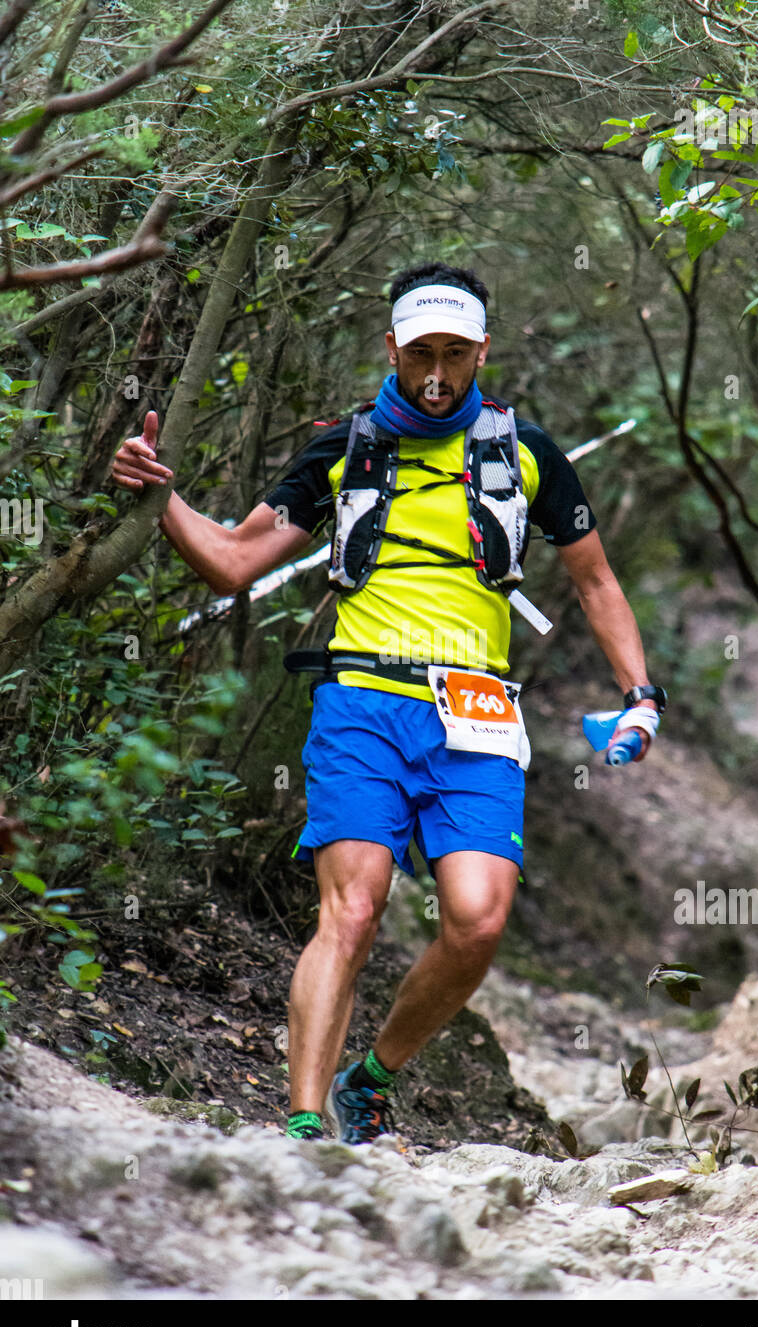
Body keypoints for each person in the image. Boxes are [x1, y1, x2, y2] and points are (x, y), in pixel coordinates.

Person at [111, 261, 666, 1146]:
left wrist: (640, 694)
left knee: (478, 920)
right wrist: (161, 494)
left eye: (454, 353)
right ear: (392, 350)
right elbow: (234, 560)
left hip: (478, 712)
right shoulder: (347, 448)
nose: (436, 374)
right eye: (420, 355)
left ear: (484, 349)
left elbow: (595, 580)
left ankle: (371, 1078)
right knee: (355, 908)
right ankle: (301, 1123)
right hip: (362, 701)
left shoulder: (527, 452)